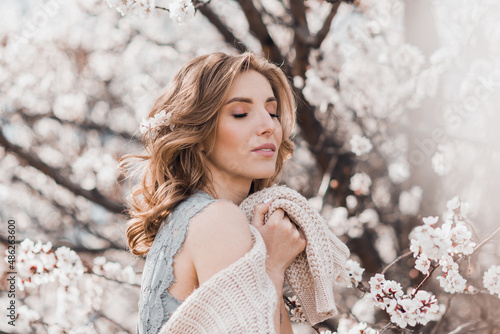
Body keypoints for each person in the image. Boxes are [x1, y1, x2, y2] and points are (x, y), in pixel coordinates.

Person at [120, 52, 306, 334]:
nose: (269, 126)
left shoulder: (187, 220)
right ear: (200, 134)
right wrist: (271, 266)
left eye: (273, 112)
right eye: (240, 113)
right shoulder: (218, 219)